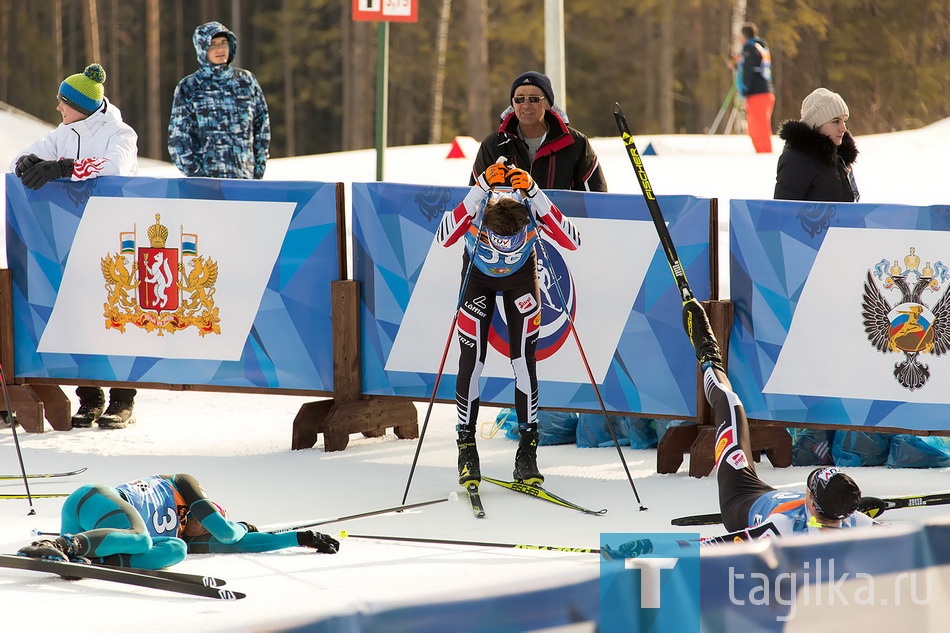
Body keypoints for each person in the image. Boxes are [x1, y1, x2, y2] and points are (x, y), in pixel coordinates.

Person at [603, 300, 873, 559]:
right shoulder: (856, 523)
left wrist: (646, 546)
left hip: (742, 498)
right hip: (774, 497)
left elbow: (708, 547)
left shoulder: (782, 527)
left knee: (731, 405)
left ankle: (709, 357)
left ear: (813, 504)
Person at [8, 63, 140, 430]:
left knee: (119, 316)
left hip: (116, 237)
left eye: (63, 102)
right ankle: (90, 397)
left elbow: (115, 166)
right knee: (80, 314)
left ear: (82, 104)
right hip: (71, 237)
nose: (58, 109)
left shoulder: (120, 132)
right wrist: (30, 163)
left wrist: (64, 167)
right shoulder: (61, 133)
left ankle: (123, 399)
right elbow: (20, 158)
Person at [437, 163, 581, 487]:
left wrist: (535, 192)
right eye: (498, 239)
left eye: (512, 240)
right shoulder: (478, 205)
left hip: (521, 280)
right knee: (471, 361)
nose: (505, 246)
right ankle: (466, 448)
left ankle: (527, 452)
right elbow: (443, 237)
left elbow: (573, 241)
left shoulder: (530, 205)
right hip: (477, 279)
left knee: (523, 361)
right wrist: (477, 189)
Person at [16, 473, 339, 569]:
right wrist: (242, 525)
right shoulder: (185, 482)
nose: (209, 525)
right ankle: (58, 543)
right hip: (94, 500)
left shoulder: (184, 535)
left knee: (173, 550)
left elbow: (239, 546)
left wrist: (300, 537)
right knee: (140, 538)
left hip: (101, 535)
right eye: (214, 516)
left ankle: (88, 558)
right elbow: (229, 535)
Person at [470, 71, 607, 192]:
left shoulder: (575, 143)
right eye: (519, 99)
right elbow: (473, 197)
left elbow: (596, 197)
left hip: (560, 221)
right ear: (512, 104)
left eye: (534, 99)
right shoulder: (493, 145)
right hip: (509, 221)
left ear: (547, 103)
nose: (526, 105)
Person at [168, 21, 270, 179]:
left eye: (223, 43)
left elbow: (261, 128)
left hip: (245, 181)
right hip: (207, 186)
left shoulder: (246, 81)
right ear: (202, 49)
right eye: (213, 44)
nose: (220, 49)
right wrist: (197, 177)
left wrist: (257, 171)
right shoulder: (190, 87)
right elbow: (178, 139)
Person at [774, 87, 860, 202]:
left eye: (844, 121)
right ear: (817, 124)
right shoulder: (796, 160)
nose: (843, 128)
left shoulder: (840, 159)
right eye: (836, 121)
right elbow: (783, 212)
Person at [734, 22, 775, 153]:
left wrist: (744, 90)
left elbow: (749, 71)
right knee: (754, 128)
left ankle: (765, 154)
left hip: (758, 93)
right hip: (763, 92)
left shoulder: (750, 48)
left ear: (744, 36)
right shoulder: (759, 47)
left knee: (759, 128)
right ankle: (761, 152)